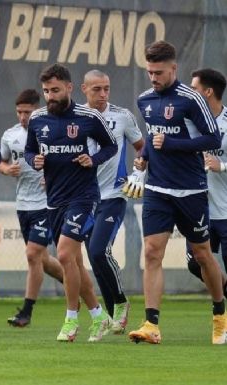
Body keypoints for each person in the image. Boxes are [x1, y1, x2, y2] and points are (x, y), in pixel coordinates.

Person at [128, 41, 226, 345]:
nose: (153, 77)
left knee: (202, 255)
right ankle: (151, 324)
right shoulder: (144, 100)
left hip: (191, 190)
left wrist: (173, 146)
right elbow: (152, 135)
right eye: (149, 72)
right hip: (157, 189)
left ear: (173, 68)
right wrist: (143, 161)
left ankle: (220, 315)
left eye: (159, 72)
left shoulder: (191, 99)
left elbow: (212, 137)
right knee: (152, 251)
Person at [24, 63, 117, 342]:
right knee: (74, 262)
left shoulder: (88, 117)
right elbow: (30, 150)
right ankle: (99, 316)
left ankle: (70, 320)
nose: (50, 96)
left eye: (55, 90)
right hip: (54, 200)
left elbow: (110, 146)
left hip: (84, 197)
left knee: (64, 254)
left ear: (69, 87)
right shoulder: (38, 119)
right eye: (46, 91)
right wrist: (34, 160)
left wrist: (93, 159)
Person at [80, 70, 144, 334]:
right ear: (84, 88)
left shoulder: (122, 116)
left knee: (98, 251)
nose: (103, 94)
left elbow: (142, 147)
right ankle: (109, 315)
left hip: (114, 195)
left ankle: (120, 303)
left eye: (106, 88)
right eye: (97, 89)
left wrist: (138, 174)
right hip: (84, 199)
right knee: (95, 260)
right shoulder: (75, 118)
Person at [0, 89, 63, 327]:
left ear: (38, 109)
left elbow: (67, 157)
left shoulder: (51, 131)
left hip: (47, 203)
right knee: (43, 260)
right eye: (19, 112)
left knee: (33, 254)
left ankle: (26, 312)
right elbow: (1, 161)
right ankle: (79, 286)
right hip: (23, 204)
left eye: (28, 112)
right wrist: (6, 170)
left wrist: (54, 175)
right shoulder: (10, 135)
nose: (23, 117)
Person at [185, 69, 227, 294]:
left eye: (194, 88)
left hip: (226, 211)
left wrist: (222, 166)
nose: (189, 92)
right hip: (199, 209)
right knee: (195, 262)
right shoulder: (189, 123)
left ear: (208, 92)